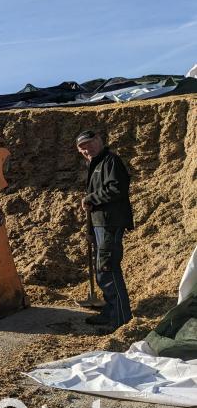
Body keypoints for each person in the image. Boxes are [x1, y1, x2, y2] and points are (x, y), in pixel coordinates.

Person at [75, 130, 134, 330]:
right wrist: (91, 230)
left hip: (111, 223)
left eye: (90, 143)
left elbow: (117, 188)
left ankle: (121, 319)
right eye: (82, 147)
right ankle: (110, 311)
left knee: (108, 268)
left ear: (100, 140)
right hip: (101, 224)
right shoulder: (95, 164)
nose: (87, 149)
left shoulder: (110, 161)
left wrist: (90, 198)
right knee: (102, 270)